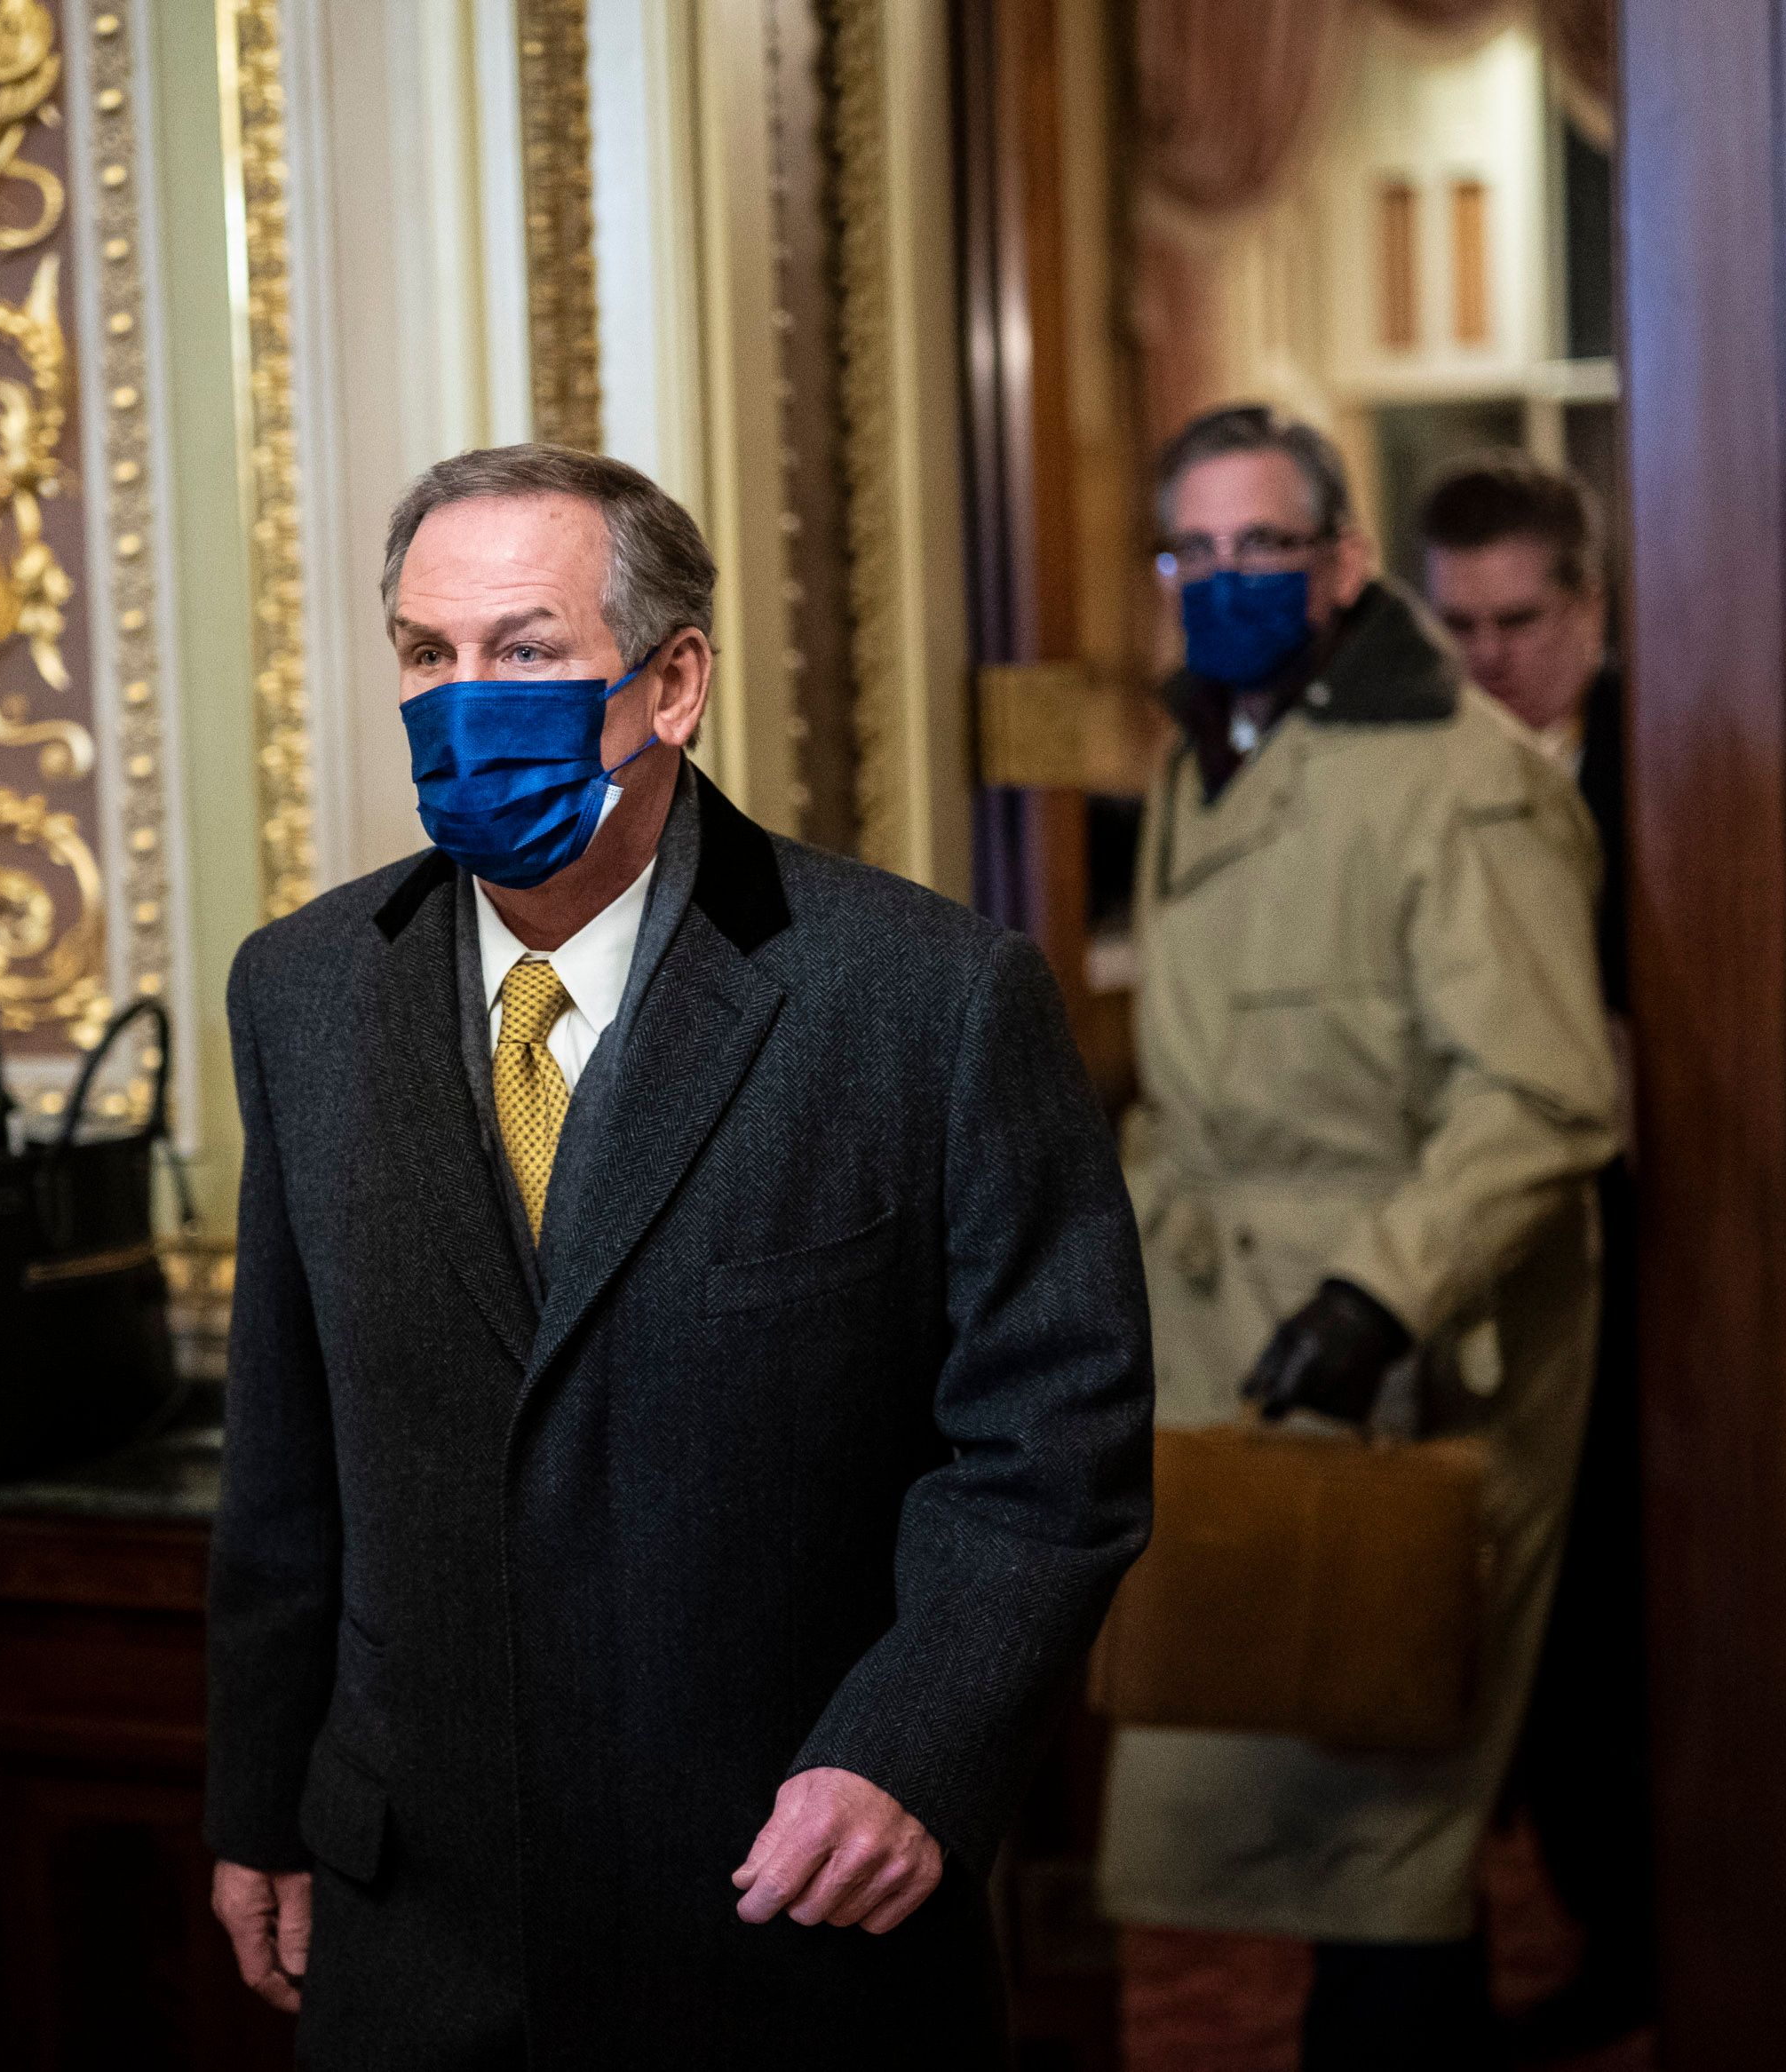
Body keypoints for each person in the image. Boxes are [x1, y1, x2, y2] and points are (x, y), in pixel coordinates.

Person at [204, 443, 1154, 2067]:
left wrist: (911, 1753)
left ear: (674, 681)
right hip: (418, 1922)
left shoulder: (924, 998)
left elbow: (1051, 1443)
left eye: (522, 649)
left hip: (775, 1913)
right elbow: (287, 1460)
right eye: (427, 655)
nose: (460, 699)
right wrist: (259, 1799)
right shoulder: (301, 990)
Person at [1099, 405, 1618, 2066]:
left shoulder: (1462, 780)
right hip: (1220, 1337)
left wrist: (1374, 1297)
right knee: (1294, 1831)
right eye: (1199, 549)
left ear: (1342, 561)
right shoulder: (1202, 753)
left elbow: (1544, 1098)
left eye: (1268, 545)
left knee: (1393, 1827)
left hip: (1404, 1365)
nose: (1230, 578)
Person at [1420, 452, 1655, 2053]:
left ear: (1589, 606)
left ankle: (1650, 1943)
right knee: (1509, 1613)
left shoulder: (1680, 747)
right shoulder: (1421, 773)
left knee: (1642, 1606)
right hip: (1481, 1254)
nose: (1496, 654)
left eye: (1523, 618)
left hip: (1670, 1250)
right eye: (1464, 625)